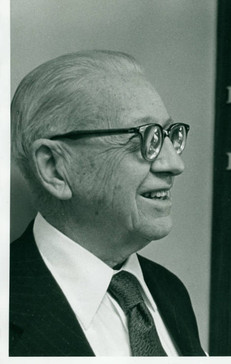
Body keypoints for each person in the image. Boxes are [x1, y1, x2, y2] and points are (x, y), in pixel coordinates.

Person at [9, 50, 206, 356]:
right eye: (144, 138)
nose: (174, 163)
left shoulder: (169, 290)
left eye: (169, 135)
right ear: (54, 168)